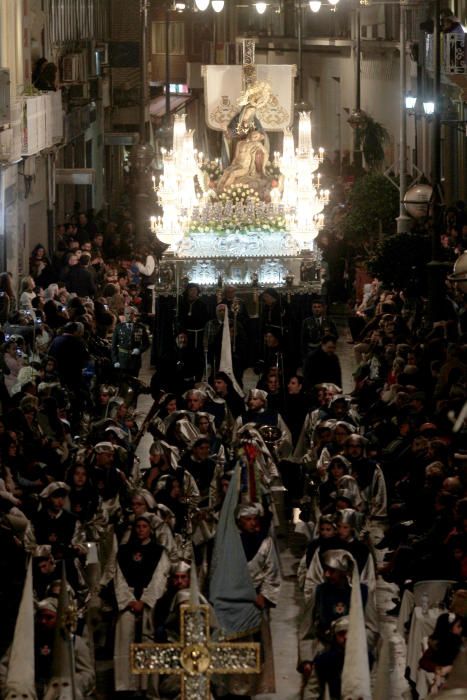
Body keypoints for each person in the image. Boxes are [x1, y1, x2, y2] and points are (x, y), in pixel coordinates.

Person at [113, 514, 170, 692]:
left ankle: (147, 686)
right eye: (138, 526)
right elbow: (117, 577)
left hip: (148, 603)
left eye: (144, 526)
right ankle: (125, 686)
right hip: (128, 601)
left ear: (150, 529)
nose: (140, 530)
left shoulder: (159, 551)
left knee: (148, 642)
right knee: (124, 640)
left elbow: (161, 577)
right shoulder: (123, 551)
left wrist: (145, 600)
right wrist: (129, 600)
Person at [217, 130, 269, 194]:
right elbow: (236, 157)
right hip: (237, 164)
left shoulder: (256, 144)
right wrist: (232, 165)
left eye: (256, 137)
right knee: (226, 172)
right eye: (254, 134)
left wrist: (260, 145)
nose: (254, 136)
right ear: (250, 134)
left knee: (233, 174)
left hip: (245, 167)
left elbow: (265, 153)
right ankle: (219, 189)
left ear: (258, 139)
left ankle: (225, 191)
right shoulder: (240, 143)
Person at [111, 306, 150, 377]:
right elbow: (113, 346)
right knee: (123, 382)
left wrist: (139, 350)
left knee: (134, 381)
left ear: (134, 315)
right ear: (124, 314)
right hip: (122, 360)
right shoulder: (119, 327)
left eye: (131, 314)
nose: (129, 316)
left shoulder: (140, 327)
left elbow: (146, 343)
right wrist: (115, 360)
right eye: (127, 313)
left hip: (135, 361)